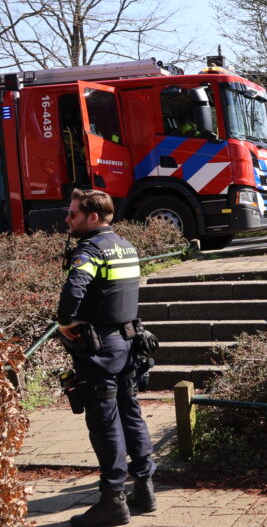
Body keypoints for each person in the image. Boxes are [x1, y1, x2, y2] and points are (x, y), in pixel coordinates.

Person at [57, 189, 155, 526]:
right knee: (131, 413)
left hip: (100, 348)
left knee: (104, 422)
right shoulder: (126, 246)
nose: (68, 220)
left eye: (73, 215)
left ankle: (113, 501)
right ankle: (144, 488)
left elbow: (74, 288)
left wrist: (65, 322)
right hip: (129, 341)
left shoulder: (90, 249)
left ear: (93, 216)